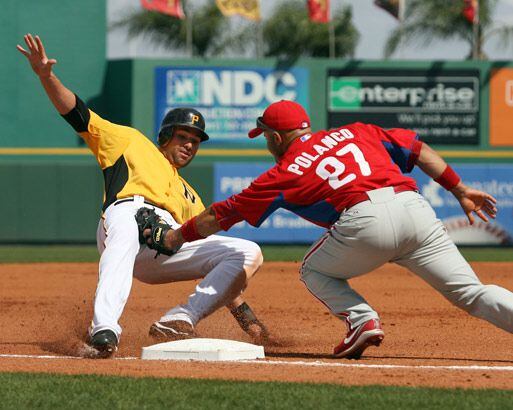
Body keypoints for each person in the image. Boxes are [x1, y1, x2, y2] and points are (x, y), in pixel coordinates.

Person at [152, 99, 513, 360]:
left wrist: (175, 236)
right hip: (415, 210)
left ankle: (362, 320)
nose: (266, 143)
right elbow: (416, 148)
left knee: (314, 269)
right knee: (472, 292)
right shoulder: (356, 131)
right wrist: (459, 189)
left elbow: (222, 214)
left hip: (364, 219)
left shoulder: (284, 171)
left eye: (265, 136)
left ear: (277, 137)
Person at [17, 34, 267, 358]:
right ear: (165, 136)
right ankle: (105, 328)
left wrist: (247, 319)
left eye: (196, 140)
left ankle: (179, 318)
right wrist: (46, 76)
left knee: (246, 250)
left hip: (163, 249)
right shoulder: (130, 140)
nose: (190, 144)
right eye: (183, 136)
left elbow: (211, 260)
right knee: (126, 225)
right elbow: (78, 114)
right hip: (126, 215)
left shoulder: (190, 195)